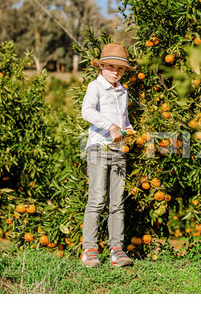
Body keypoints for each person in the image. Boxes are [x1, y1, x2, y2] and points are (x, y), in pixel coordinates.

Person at [80, 43, 136, 268]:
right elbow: (87, 111)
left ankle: (116, 250)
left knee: (117, 203)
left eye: (120, 69)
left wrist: (128, 128)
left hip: (118, 150)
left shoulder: (123, 91)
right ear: (101, 66)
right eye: (111, 67)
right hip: (98, 148)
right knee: (96, 199)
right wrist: (110, 126)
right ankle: (90, 250)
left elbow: (124, 119)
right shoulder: (96, 86)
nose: (116, 72)